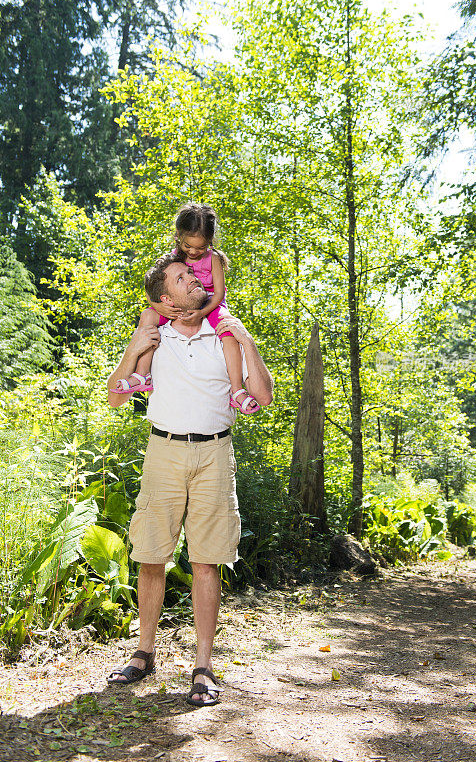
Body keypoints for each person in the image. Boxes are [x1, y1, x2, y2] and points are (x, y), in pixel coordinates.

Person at [106, 254, 274, 706]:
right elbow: (115, 399)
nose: (195, 278)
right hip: (163, 451)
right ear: (166, 298)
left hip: (216, 453)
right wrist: (132, 347)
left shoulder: (224, 333)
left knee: (206, 560)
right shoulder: (154, 335)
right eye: (182, 277)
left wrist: (249, 340)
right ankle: (144, 653)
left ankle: (203, 665)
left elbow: (264, 396)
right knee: (151, 555)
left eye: (194, 273)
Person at [111, 203, 260, 416]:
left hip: (211, 304)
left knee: (228, 333)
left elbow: (218, 294)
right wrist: (157, 305)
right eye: (188, 246)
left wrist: (201, 312)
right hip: (181, 303)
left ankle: (236, 390)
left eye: (200, 247)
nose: (193, 251)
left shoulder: (214, 258)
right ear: (179, 237)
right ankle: (143, 374)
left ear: (210, 242)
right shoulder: (175, 255)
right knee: (147, 316)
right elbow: (152, 288)